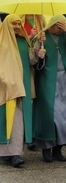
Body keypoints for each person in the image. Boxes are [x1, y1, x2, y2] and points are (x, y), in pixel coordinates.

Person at [32, 14, 66, 162]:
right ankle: (46, 148)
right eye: (59, 25)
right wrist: (39, 53)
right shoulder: (42, 37)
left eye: (63, 25)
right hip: (47, 81)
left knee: (65, 116)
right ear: (52, 24)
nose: (61, 28)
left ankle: (58, 148)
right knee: (49, 116)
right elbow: (33, 60)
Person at [0, 15, 45, 167]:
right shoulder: (1, 42)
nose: (17, 26)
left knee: (18, 121)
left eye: (19, 23)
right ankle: (7, 152)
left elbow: (31, 61)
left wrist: (38, 48)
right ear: (7, 25)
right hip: (5, 88)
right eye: (14, 24)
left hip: (21, 87)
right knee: (5, 120)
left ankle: (15, 153)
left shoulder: (23, 41)